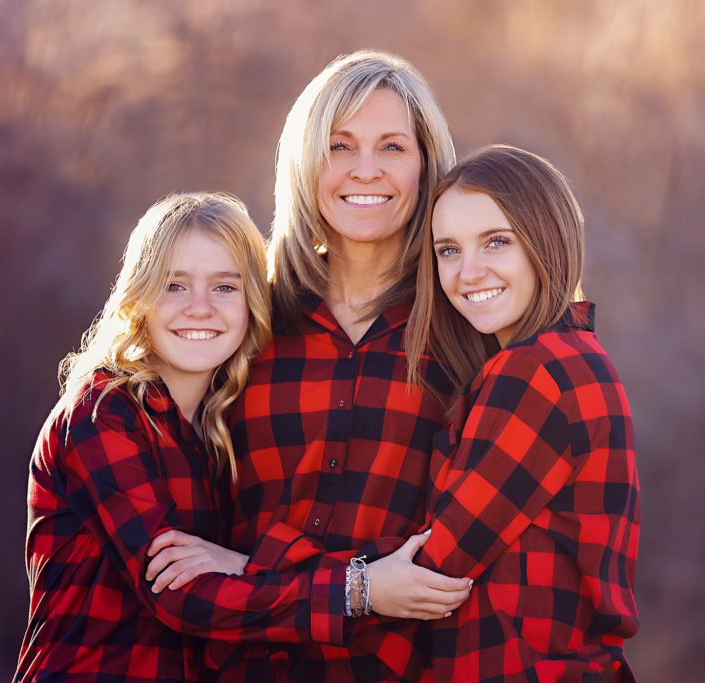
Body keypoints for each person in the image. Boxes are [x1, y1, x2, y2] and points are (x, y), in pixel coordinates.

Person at [149, 51, 471, 682]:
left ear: (428, 163)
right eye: (339, 144)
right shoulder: (244, 321)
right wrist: (354, 583)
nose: (366, 170)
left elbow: (447, 560)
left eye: (393, 147)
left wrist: (248, 567)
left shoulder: (461, 336)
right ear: (303, 162)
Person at [15, 192, 313, 682]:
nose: (200, 308)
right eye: (175, 285)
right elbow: (177, 594)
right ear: (140, 299)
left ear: (252, 302)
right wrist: (352, 593)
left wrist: (243, 565)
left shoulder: (227, 425)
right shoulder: (103, 413)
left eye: (224, 287)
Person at [404, 145, 641, 682]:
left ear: (545, 240)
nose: (469, 272)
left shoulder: (537, 372)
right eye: (448, 250)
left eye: (496, 242)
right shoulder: (578, 358)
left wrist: (256, 570)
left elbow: (438, 567)